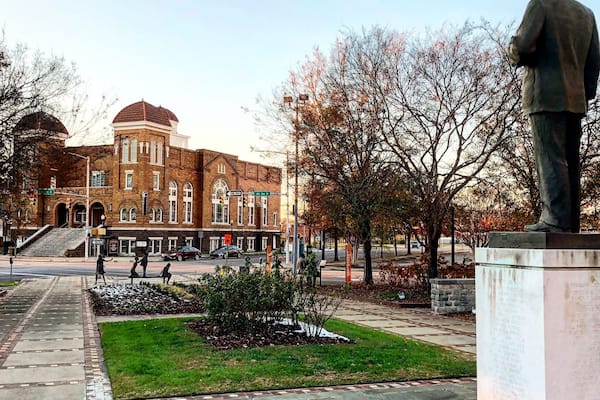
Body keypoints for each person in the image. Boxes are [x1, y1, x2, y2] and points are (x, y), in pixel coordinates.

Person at [509, 0, 600, 233]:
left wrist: (512, 48)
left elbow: (523, 47)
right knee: (569, 161)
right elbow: (594, 62)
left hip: (545, 95)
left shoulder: (541, 4)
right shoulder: (586, 14)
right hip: (575, 99)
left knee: (550, 157)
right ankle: (569, 223)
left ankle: (554, 220)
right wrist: (584, 93)